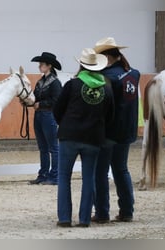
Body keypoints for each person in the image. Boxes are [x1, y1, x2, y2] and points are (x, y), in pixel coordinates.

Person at [53, 48, 114, 227]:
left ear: (81, 65)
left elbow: (57, 110)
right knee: (89, 178)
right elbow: (110, 117)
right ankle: (85, 219)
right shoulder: (107, 89)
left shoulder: (72, 85)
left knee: (64, 177)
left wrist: (64, 124)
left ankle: (64, 218)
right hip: (93, 139)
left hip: (69, 136)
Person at [91, 37, 140, 223]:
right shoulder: (133, 74)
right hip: (127, 130)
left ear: (106, 57)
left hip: (109, 132)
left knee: (100, 172)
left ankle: (102, 212)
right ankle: (127, 211)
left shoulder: (105, 78)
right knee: (121, 170)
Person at [29, 52, 62, 185]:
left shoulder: (55, 83)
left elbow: (56, 100)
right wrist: (29, 101)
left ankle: (54, 176)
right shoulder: (41, 81)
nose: (39, 66)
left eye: (41, 64)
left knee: (53, 147)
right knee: (43, 147)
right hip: (39, 115)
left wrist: (40, 104)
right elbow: (35, 96)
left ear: (49, 66)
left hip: (49, 115)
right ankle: (43, 174)